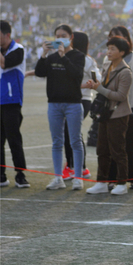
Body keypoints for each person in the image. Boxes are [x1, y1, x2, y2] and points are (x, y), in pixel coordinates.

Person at [35, 24, 86, 191]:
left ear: (71, 37)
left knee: (75, 141)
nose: (60, 39)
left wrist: (63, 56)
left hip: (73, 104)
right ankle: (58, 178)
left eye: (63, 35)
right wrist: (43, 55)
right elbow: (40, 72)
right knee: (57, 142)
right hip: (54, 104)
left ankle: (78, 177)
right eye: (57, 36)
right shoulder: (51, 57)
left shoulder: (78, 56)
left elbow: (76, 74)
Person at [86, 36, 133, 195]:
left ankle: (122, 183)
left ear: (122, 52)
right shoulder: (107, 65)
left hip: (118, 114)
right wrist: (96, 85)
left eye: (113, 49)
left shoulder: (126, 72)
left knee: (118, 150)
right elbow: (104, 87)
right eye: (108, 48)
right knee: (102, 149)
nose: (109, 52)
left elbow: (120, 96)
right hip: (105, 113)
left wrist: (99, 88)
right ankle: (102, 182)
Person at [105, 26, 133, 189]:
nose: (114, 39)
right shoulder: (107, 58)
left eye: (118, 36)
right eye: (111, 36)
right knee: (114, 145)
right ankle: (113, 178)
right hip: (113, 108)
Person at [61, 32, 96, 181]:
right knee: (71, 133)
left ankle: (76, 167)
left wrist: (85, 85)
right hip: (70, 99)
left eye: (70, 39)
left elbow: (96, 79)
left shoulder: (86, 60)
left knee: (71, 133)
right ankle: (78, 166)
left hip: (82, 99)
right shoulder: (69, 57)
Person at [0, 21, 29, 188]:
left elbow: (4, 63)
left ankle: (20, 175)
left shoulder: (18, 49)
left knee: (14, 139)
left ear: (7, 35)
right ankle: (1, 176)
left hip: (12, 101)